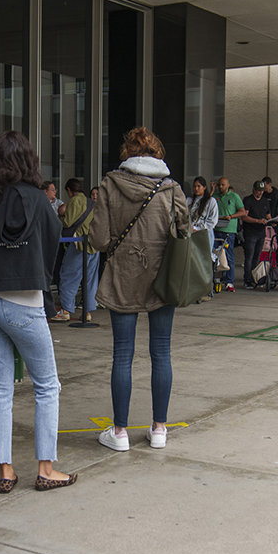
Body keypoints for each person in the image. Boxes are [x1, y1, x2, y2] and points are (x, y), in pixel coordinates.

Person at [0, 131, 78, 493]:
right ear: (28, 159)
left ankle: (6, 470)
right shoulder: (37, 199)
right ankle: (45, 468)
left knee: (1, 387)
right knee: (46, 386)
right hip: (23, 304)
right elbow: (52, 243)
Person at [90, 127, 188, 452]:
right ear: (157, 153)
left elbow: (100, 239)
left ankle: (119, 433)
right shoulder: (171, 188)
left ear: (127, 154)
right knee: (161, 352)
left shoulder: (109, 184)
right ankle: (159, 429)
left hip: (123, 275)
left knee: (123, 355)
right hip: (163, 277)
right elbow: (185, 232)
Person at [54, 178, 99, 323]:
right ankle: (87, 312)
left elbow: (68, 222)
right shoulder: (90, 202)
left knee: (68, 275)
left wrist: (59, 216)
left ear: (69, 190)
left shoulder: (75, 200)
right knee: (90, 279)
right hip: (93, 245)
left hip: (79, 245)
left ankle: (65, 310)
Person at [241, 179, 278, 289]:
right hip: (250, 232)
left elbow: (268, 216)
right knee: (249, 256)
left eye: (262, 191)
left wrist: (274, 222)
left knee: (257, 257)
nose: (260, 193)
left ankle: (254, 277)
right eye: (258, 191)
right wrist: (257, 221)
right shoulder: (248, 200)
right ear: (254, 189)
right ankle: (247, 279)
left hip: (261, 233)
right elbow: (244, 216)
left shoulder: (265, 201)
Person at [212, 177, 245, 293]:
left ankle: (229, 281)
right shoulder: (215, 196)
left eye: (223, 185)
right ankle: (213, 278)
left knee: (229, 254)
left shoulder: (234, 197)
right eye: (219, 185)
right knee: (214, 254)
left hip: (228, 230)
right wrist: (211, 190)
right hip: (216, 229)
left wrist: (231, 216)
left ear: (227, 185)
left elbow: (242, 211)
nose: (220, 187)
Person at [190, 176, 219, 299]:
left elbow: (213, 221)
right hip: (191, 234)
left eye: (199, 186)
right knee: (193, 261)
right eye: (195, 186)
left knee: (205, 261)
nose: (196, 189)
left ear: (204, 187)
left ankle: (207, 290)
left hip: (205, 234)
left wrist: (198, 228)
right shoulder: (189, 201)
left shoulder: (211, 201)